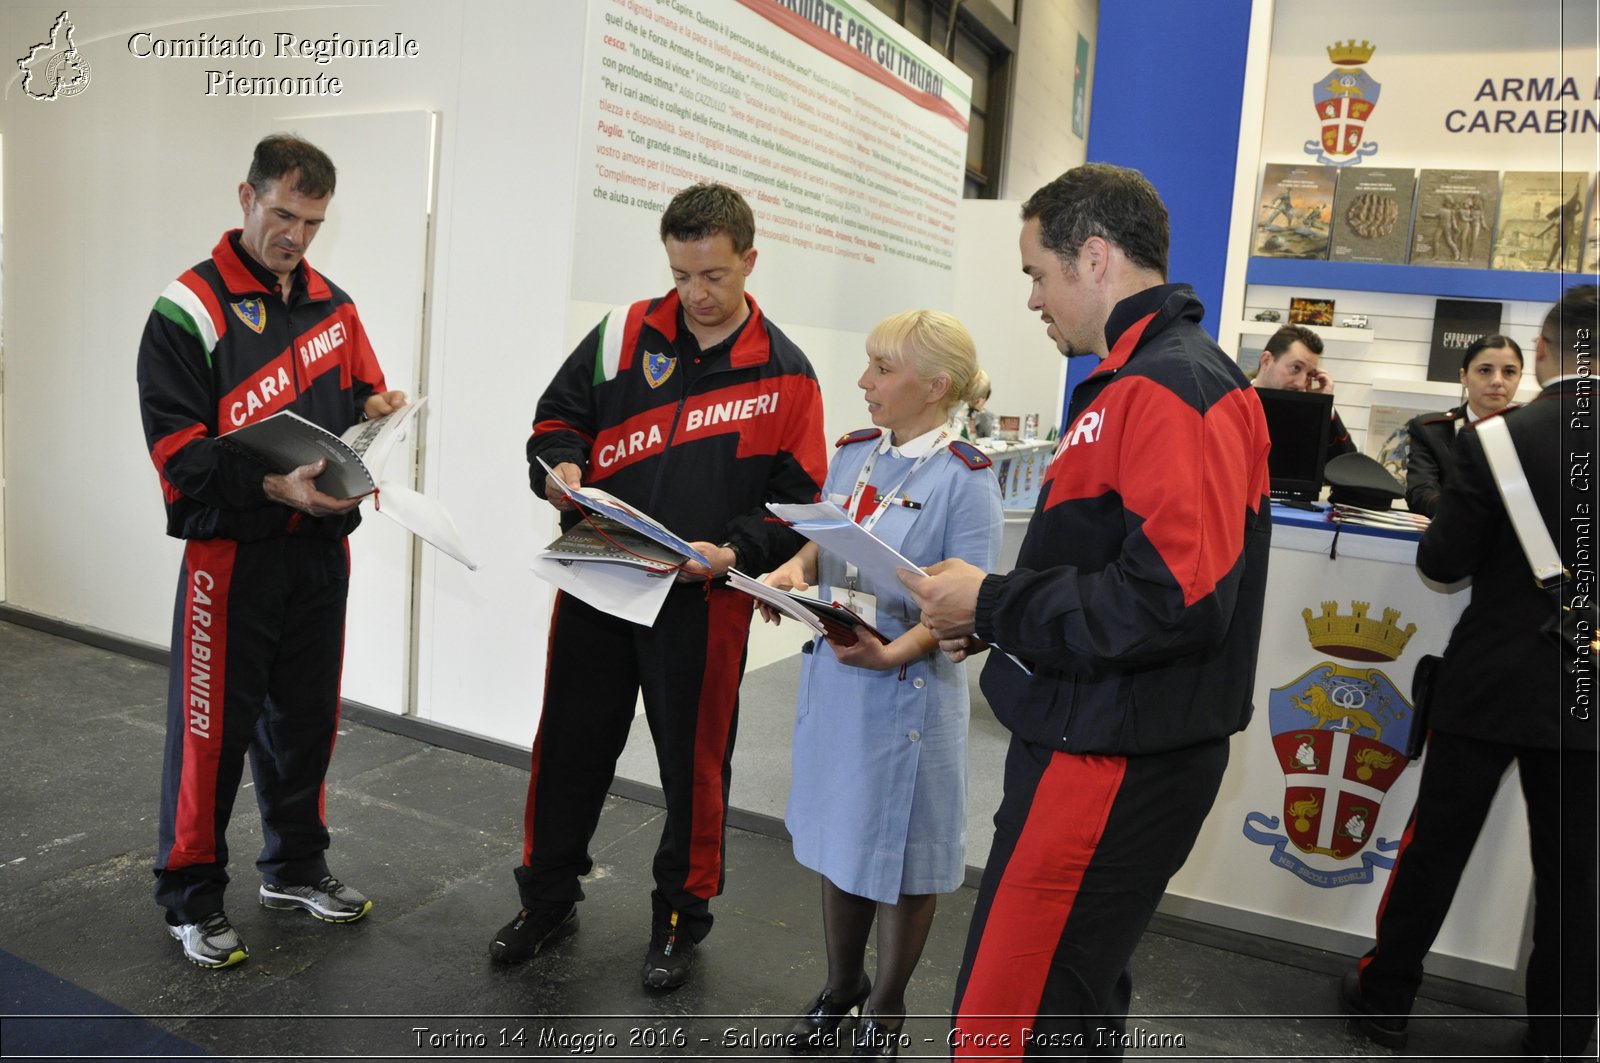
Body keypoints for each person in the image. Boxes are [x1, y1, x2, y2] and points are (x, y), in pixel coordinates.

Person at [900, 164, 1273, 1056]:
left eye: (1038, 272)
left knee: (1006, 1025)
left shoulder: (1169, 385)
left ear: (1094, 257)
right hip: (1096, 734)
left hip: (1106, 756)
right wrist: (993, 617)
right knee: (1068, 1006)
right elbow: (1116, 570)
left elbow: (1173, 600)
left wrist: (992, 597)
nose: (1031, 298)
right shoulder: (1141, 379)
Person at [494, 183, 827, 991]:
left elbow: (800, 496)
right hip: (600, 569)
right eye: (680, 275)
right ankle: (547, 899)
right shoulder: (620, 334)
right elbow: (554, 417)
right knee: (569, 745)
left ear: (750, 260)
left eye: (712, 275)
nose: (695, 295)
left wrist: (736, 548)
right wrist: (559, 465)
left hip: (703, 595)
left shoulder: (788, 373)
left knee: (694, 766)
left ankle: (680, 919)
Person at [136, 134, 406, 969]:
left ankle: (294, 867)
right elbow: (179, 453)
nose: (296, 235)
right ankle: (191, 894)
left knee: (306, 724)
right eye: (283, 214)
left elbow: (362, 393)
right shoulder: (188, 308)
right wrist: (267, 486)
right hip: (232, 556)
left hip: (320, 552)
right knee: (211, 733)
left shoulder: (335, 304)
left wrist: (380, 409)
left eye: (313, 221)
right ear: (246, 196)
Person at [1341, 285, 1597, 1058]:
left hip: (1489, 678)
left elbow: (1444, 561)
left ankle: (1387, 1002)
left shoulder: (1498, 439)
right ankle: (1560, 1035)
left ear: (1544, 353)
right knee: (1576, 878)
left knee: (1434, 851)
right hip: (1588, 688)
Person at [762, 311, 1002, 1056]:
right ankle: (842, 986)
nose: (864, 382)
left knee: (900, 855)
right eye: (868, 365)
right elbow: (829, 527)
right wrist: (795, 569)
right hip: (842, 680)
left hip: (909, 692)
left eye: (882, 369)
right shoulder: (858, 451)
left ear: (935, 386)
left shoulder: (967, 480)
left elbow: (970, 602)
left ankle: (888, 1006)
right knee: (843, 837)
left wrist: (896, 653)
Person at [1403, 334, 1523, 516]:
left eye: (1509, 372)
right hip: (1451, 537)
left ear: (1519, 378)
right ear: (1464, 376)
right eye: (1485, 370)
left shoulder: (1530, 434)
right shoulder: (1430, 431)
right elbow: (1420, 494)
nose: (1498, 381)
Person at [1252, 324, 1356, 466]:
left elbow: (1347, 466)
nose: (1301, 383)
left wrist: (1324, 407)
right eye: (1295, 368)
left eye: (1309, 375)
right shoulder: (1232, 405)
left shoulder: (1306, 416)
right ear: (1266, 361)